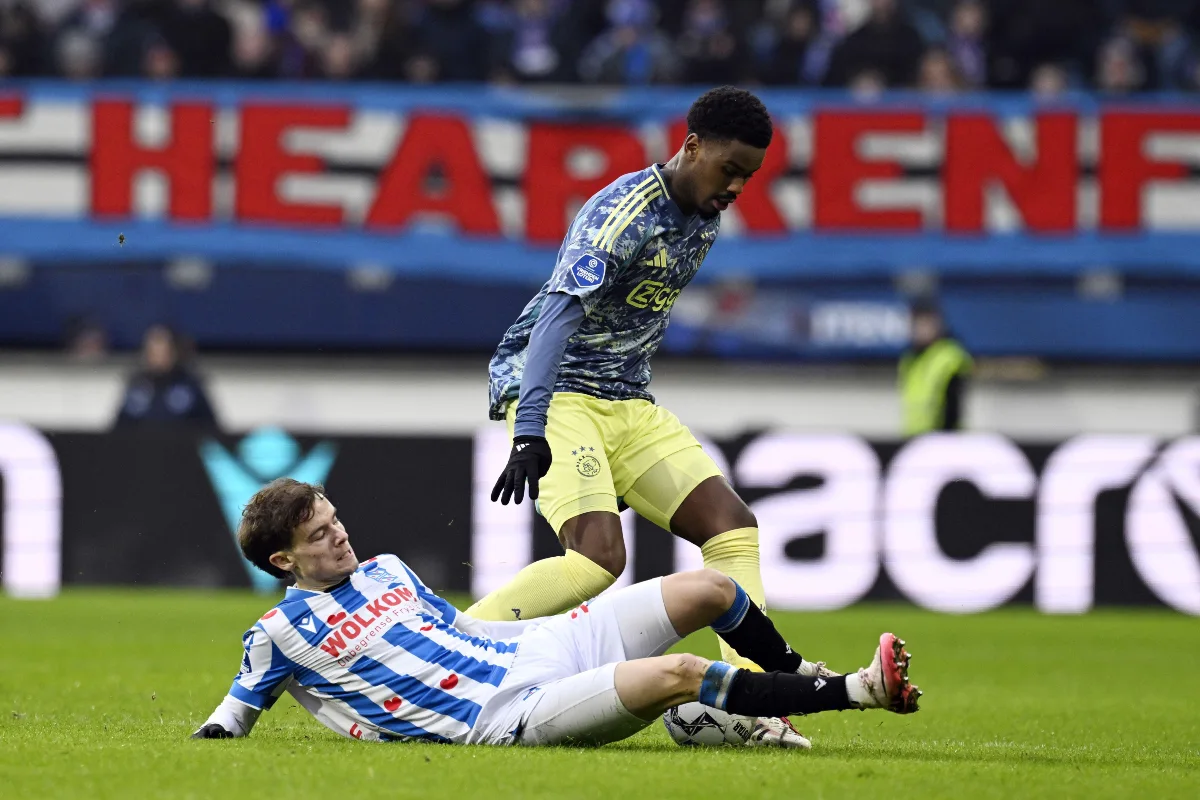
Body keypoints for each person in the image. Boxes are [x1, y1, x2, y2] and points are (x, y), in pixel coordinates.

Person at [480, 86, 821, 748]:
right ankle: (447, 647)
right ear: (691, 147)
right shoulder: (621, 216)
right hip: (561, 394)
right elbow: (555, 318)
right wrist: (530, 428)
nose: (736, 187)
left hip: (629, 402)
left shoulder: (704, 216)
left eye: (749, 176)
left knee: (732, 528)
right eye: (729, 169)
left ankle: (755, 701)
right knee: (597, 560)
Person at [191, 479, 921, 745]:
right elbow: (232, 716)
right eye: (319, 535)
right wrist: (219, 732)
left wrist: (538, 629)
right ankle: (859, 691)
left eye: (335, 519)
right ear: (283, 561)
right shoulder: (278, 633)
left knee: (712, 587)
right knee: (679, 673)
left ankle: (799, 671)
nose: (340, 535)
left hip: (532, 648)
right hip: (508, 713)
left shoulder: (386, 569)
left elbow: (459, 629)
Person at [114, 323, 218, 430]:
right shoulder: (137, 386)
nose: (157, 358)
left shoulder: (190, 386)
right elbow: (119, 429)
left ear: (174, 352)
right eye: (152, 352)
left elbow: (210, 428)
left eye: (162, 352)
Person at [898, 298, 973, 436]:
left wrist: (946, 438)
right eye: (917, 323)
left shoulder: (950, 356)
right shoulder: (910, 359)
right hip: (914, 438)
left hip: (941, 439)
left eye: (926, 323)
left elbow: (953, 408)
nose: (921, 329)